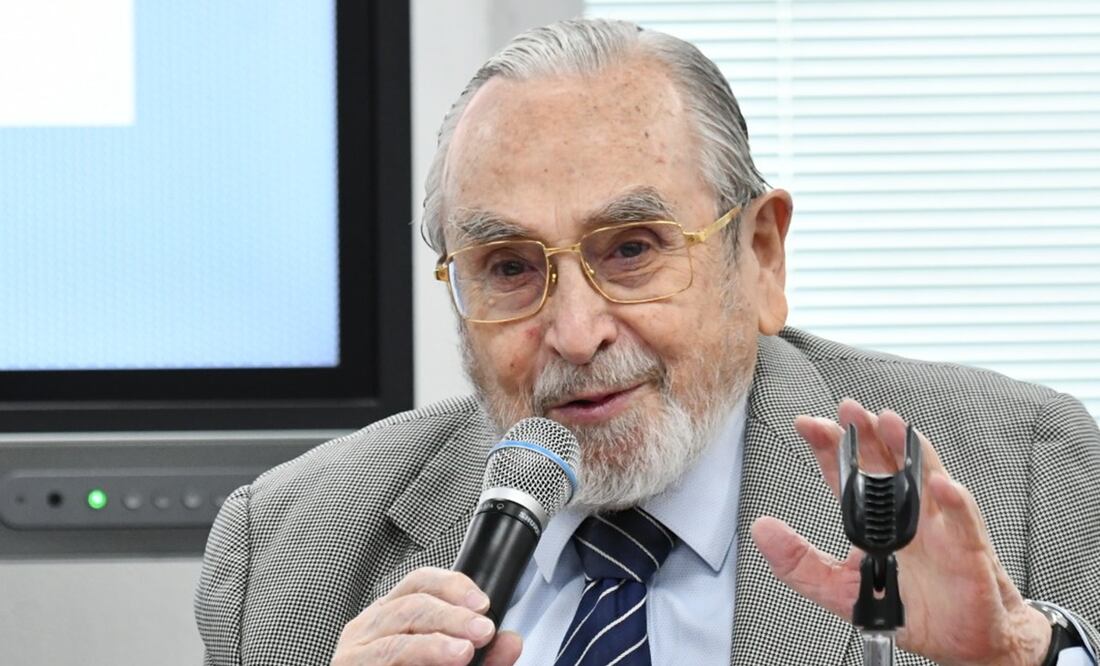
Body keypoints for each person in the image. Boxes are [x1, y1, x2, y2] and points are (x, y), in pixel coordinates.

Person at [195, 18, 1099, 666]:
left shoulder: (1028, 480)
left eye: (631, 250)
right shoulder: (285, 555)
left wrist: (1028, 660)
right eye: (509, 267)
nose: (576, 333)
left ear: (760, 255)